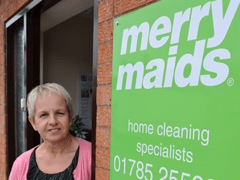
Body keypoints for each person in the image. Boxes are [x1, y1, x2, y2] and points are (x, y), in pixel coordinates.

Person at [9, 83, 91, 180]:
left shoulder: (92, 156)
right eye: (44, 115)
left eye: (59, 113)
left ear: (70, 118)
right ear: (33, 122)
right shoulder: (21, 164)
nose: (53, 121)